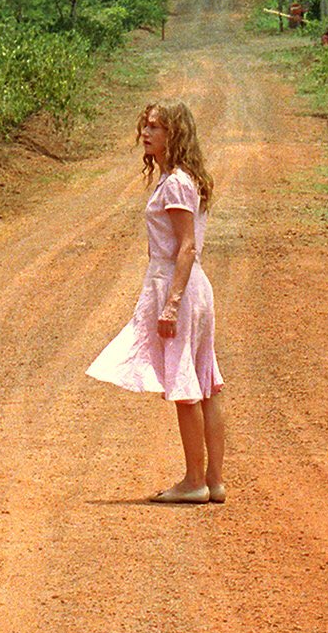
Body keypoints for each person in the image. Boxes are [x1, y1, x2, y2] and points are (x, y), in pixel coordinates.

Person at [85, 100, 227, 504]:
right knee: (205, 382)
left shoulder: (179, 182)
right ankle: (213, 482)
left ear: (175, 134)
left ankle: (195, 481)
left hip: (178, 286)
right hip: (189, 287)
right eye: (146, 127)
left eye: (156, 128)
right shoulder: (178, 179)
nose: (147, 134)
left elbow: (185, 247)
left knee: (188, 385)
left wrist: (170, 304)